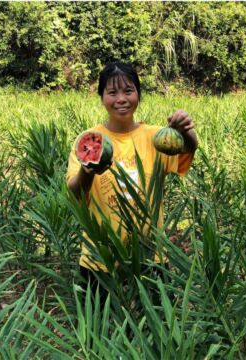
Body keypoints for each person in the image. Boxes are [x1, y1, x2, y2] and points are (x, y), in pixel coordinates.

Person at [66, 62, 198, 298]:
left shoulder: (156, 137)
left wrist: (186, 130)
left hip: (151, 255)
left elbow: (186, 150)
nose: (121, 99)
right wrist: (88, 169)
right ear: (101, 97)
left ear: (138, 94)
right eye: (112, 92)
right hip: (100, 257)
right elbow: (74, 194)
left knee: (155, 328)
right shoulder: (89, 139)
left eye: (128, 91)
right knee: (102, 329)